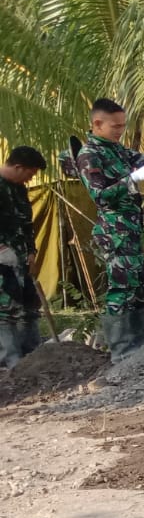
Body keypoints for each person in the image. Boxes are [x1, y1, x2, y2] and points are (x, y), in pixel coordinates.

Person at [76, 97, 144, 359]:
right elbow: (99, 195)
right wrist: (131, 180)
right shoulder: (89, 155)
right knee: (122, 289)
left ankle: (137, 348)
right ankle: (122, 351)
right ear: (97, 124)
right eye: (116, 126)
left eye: (122, 125)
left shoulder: (117, 150)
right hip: (114, 231)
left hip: (130, 229)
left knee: (137, 285)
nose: (120, 131)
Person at [0, 146, 47, 368]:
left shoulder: (19, 190)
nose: (31, 179)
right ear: (18, 167)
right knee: (5, 309)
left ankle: (34, 355)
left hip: (20, 258)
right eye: (30, 174)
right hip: (2, 261)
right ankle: (10, 361)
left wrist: (31, 251)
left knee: (29, 305)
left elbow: (26, 224)